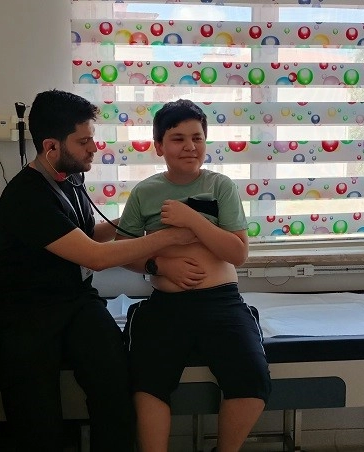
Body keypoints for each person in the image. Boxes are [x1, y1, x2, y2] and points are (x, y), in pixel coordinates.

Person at [0, 89, 197, 451]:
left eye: (92, 139)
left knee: (116, 388)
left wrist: (139, 214)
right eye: (83, 142)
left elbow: (87, 235)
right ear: (51, 147)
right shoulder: (26, 198)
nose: (93, 149)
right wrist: (170, 236)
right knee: (38, 426)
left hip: (76, 300)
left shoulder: (70, 177)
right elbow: (94, 256)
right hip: (26, 314)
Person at [116, 99, 272, 451]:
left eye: (197, 138)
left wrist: (193, 220)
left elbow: (238, 254)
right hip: (167, 305)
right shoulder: (145, 193)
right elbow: (123, 252)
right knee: (147, 384)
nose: (190, 146)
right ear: (159, 146)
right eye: (178, 138)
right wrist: (159, 266)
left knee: (252, 381)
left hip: (221, 303)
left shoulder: (220, 186)